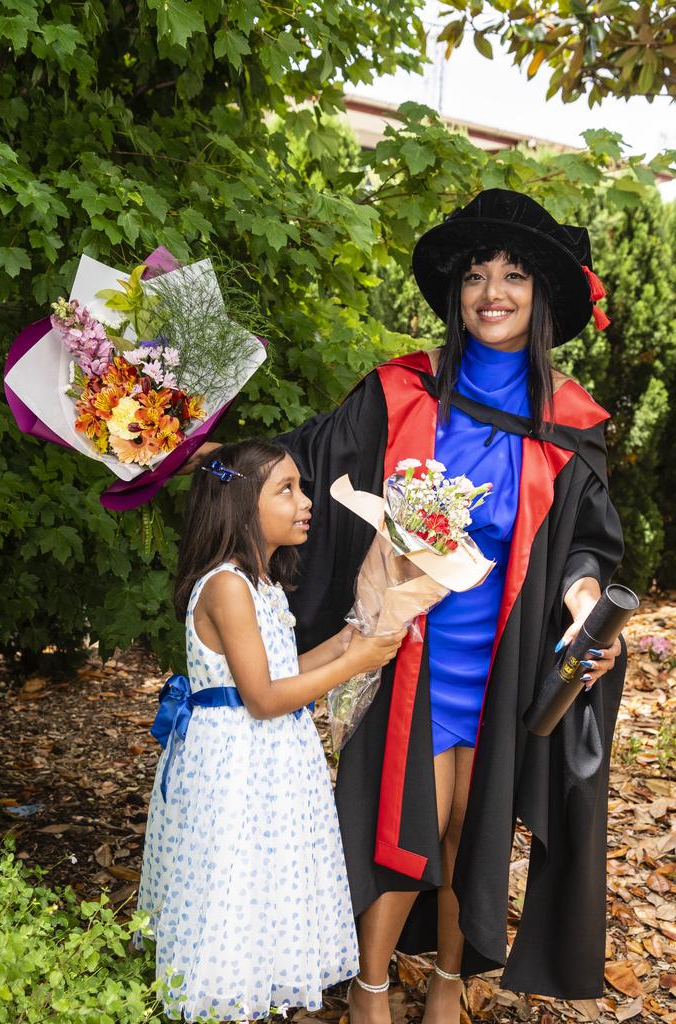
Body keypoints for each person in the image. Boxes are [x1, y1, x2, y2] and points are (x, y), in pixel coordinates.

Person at [272, 190, 626, 1022]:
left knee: (474, 831)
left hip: (502, 666)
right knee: (407, 829)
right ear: (456, 293)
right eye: (475, 275)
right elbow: (301, 466)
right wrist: (196, 450)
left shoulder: (569, 424)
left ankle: (444, 986)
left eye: (511, 276)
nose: (491, 292)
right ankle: (368, 991)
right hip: (412, 658)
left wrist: (583, 604)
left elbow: (588, 548)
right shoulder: (401, 396)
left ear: (540, 298)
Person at [136, 439, 406, 1022]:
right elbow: (261, 698)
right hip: (235, 761)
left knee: (262, 880)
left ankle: (252, 996)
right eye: (286, 490)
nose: (304, 502)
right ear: (238, 505)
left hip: (269, 758)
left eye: (300, 488)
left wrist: (355, 639)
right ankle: (217, 1003)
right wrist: (354, 665)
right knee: (229, 881)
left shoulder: (260, 584)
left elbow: (285, 671)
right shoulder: (227, 585)